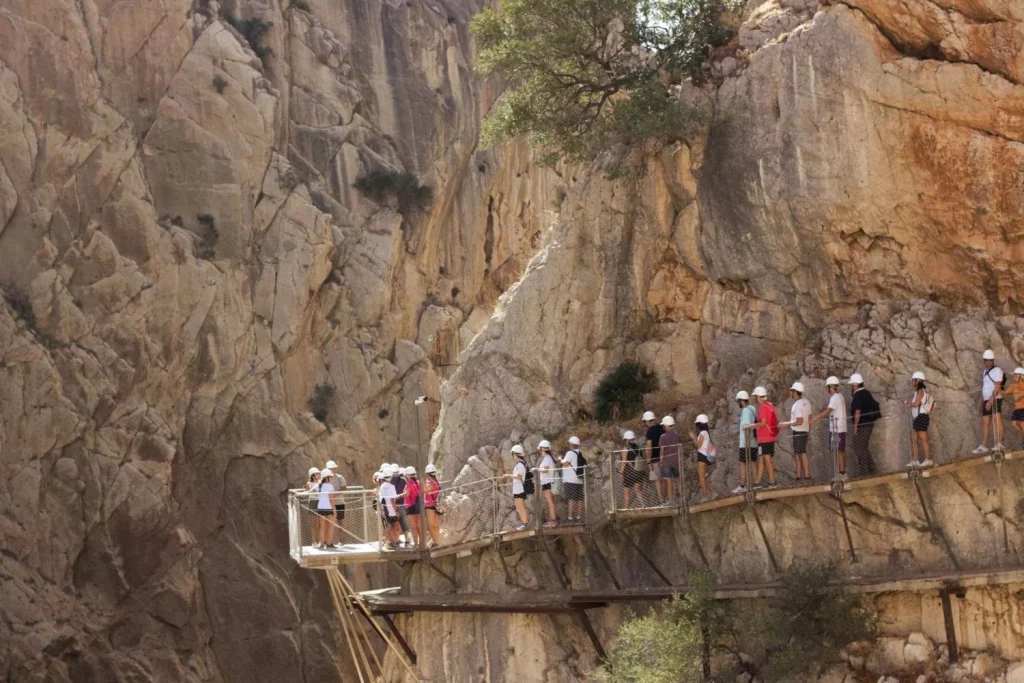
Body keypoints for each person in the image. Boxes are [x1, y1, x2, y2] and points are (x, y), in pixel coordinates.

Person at [810, 377, 848, 480]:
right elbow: (830, 409)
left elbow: (828, 412)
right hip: (840, 428)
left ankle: (841, 474)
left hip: (836, 429)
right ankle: (842, 473)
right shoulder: (840, 396)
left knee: (837, 451)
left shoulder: (835, 398)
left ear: (830, 387)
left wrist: (815, 418)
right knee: (840, 450)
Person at [779, 382, 812, 482]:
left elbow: (799, 421)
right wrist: (808, 430)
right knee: (802, 452)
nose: (790, 392)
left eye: (791, 391)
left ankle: (801, 476)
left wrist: (786, 424)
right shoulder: (807, 402)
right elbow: (810, 418)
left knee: (799, 454)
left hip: (798, 432)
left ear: (795, 392)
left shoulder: (797, 405)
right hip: (805, 431)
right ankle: (804, 475)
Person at [849, 373, 881, 477]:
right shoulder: (866, 393)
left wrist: (855, 425)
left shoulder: (857, 395)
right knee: (864, 447)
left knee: (859, 447)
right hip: (869, 424)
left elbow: (857, 411)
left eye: (851, 385)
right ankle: (873, 470)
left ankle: (865, 472)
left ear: (855, 385)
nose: (851, 387)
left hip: (862, 424)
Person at [975, 349, 1006, 453]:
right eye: (986, 360)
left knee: (997, 420)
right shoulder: (985, 372)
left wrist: (991, 401)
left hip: (995, 398)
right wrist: (981, 401)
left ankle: (1000, 443)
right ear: (984, 360)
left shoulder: (997, 370)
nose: (988, 362)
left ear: (993, 360)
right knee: (985, 422)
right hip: (986, 399)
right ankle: (983, 445)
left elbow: (997, 386)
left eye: (990, 360)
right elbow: (985, 386)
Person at [747, 386, 778, 489]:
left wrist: (751, 426)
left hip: (765, 438)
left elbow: (763, 423)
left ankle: (772, 481)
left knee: (767, 459)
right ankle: (757, 482)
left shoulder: (762, 407)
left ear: (758, 397)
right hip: (769, 437)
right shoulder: (770, 405)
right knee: (761, 459)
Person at [904, 371, 935, 468]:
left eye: (914, 380)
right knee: (915, 440)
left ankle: (927, 459)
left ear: (917, 381)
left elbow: (917, 404)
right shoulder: (919, 391)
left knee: (923, 439)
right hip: (918, 417)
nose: (913, 382)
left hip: (921, 416)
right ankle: (915, 460)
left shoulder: (920, 391)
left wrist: (908, 403)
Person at [734, 391, 758, 493]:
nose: (737, 403)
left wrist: (746, 443)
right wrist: (738, 430)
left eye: (738, 401)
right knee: (752, 462)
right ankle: (757, 482)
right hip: (753, 442)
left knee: (742, 463)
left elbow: (747, 427)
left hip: (746, 443)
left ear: (741, 401)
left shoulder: (745, 411)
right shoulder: (752, 409)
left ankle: (742, 485)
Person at [689, 414, 716, 501]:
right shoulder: (706, 432)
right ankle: (713, 493)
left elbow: (698, 445)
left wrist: (693, 438)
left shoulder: (702, 433)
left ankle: (705, 496)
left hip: (702, 456)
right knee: (703, 476)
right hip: (706, 456)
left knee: (701, 477)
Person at [643, 411, 665, 503]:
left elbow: (649, 447)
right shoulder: (662, 428)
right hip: (665, 456)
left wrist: (648, 461)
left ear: (647, 421)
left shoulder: (649, 432)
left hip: (655, 459)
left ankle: (662, 500)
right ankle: (669, 498)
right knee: (665, 478)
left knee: (658, 480)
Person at [658, 416, 681, 504]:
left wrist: (661, 461)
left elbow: (662, 451)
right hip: (676, 461)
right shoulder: (676, 435)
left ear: (666, 426)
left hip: (667, 462)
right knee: (677, 480)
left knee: (669, 481)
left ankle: (671, 500)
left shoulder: (663, 437)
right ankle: (682, 498)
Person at [561, 436, 584, 523]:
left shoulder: (570, 453)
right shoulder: (580, 453)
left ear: (571, 444)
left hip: (570, 480)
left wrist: (561, 460)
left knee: (571, 499)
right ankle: (579, 517)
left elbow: (566, 463)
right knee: (579, 499)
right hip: (579, 480)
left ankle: (570, 518)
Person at [537, 440, 559, 526]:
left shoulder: (547, 458)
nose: (539, 451)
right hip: (550, 482)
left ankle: (553, 520)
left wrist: (537, 469)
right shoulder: (549, 458)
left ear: (542, 449)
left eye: (540, 449)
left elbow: (545, 469)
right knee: (551, 501)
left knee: (549, 501)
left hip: (547, 482)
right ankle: (553, 519)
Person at [620, 431, 644, 509]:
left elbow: (624, 463)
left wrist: (621, 473)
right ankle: (643, 505)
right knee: (638, 491)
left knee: (627, 492)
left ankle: (627, 509)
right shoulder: (639, 448)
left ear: (626, 440)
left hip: (629, 473)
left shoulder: (625, 449)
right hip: (638, 471)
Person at [378, 471, 401, 550]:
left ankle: (388, 542)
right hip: (391, 510)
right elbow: (392, 500)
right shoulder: (391, 487)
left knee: (389, 527)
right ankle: (392, 542)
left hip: (384, 510)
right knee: (396, 526)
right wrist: (396, 510)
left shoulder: (382, 486)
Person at [316, 468, 337, 549]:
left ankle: (321, 544)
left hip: (320, 507)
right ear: (327, 477)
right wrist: (334, 510)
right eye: (330, 477)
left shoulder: (319, 485)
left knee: (322, 527)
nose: (332, 478)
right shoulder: (330, 486)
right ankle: (328, 543)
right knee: (330, 526)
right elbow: (331, 498)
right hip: (328, 508)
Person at [511, 444, 530, 531]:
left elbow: (519, 476)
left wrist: (508, 475)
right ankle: (523, 522)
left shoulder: (521, 464)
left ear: (516, 454)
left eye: (513, 454)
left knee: (520, 504)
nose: (512, 456)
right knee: (518, 504)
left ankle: (525, 523)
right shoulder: (520, 464)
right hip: (518, 488)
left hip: (521, 488)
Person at [391, 465, 411, 545]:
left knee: (395, 522)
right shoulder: (403, 480)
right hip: (402, 503)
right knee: (404, 521)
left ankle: (396, 539)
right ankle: (407, 538)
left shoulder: (390, 480)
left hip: (393, 504)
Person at [424, 463, 442, 547]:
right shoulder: (437, 483)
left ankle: (435, 543)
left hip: (430, 507)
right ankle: (437, 542)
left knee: (431, 526)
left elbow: (425, 490)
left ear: (427, 473)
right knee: (435, 525)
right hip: (436, 506)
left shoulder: (430, 483)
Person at [326, 460, 347, 531]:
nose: (332, 470)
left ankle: (341, 541)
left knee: (340, 521)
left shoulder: (340, 477)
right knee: (328, 522)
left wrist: (335, 494)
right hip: (328, 503)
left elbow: (344, 488)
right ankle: (329, 541)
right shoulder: (325, 479)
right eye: (330, 469)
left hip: (339, 502)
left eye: (333, 468)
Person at [404, 467, 422, 548]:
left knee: (413, 526)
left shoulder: (408, 484)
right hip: (419, 506)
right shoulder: (419, 483)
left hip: (411, 506)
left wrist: (399, 495)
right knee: (419, 526)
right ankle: (422, 543)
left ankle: (416, 544)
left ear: (407, 476)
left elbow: (407, 494)